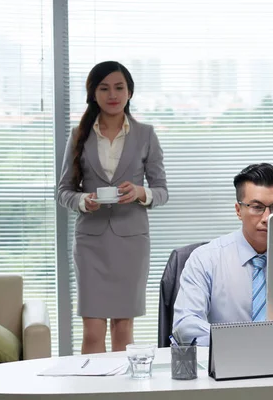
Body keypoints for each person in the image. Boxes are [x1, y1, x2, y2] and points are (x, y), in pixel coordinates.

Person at [58, 61, 168, 354]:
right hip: (91, 243)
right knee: (93, 330)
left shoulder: (145, 134)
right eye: (104, 88)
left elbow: (162, 191)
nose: (112, 94)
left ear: (130, 92)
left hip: (130, 243)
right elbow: (64, 191)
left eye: (119, 87)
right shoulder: (78, 134)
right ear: (93, 93)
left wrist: (140, 192)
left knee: (123, 328)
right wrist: (84, 201)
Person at [173, 163, 273, 346]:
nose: (267, 217)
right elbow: (185, 326)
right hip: (228, 362)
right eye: (257, 207)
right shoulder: (206, 259)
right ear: (238, 211)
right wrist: (247, 340)